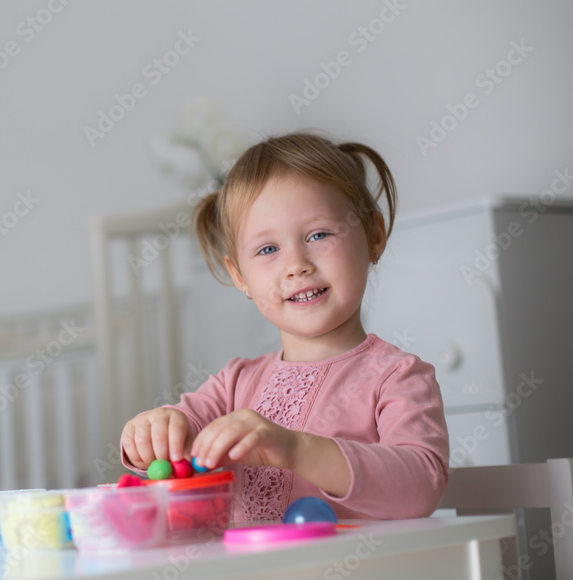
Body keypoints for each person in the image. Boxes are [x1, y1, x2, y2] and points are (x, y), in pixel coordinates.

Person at [120, 131, 449, 521]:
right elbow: (173, 439)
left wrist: (297, 450)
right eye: (268, 249)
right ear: (239, 276)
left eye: (319, 234)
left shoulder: (397, 378)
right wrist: (154, 431)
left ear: (374, 236)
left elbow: (420, 488)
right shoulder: (233, 386)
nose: (296, 264)